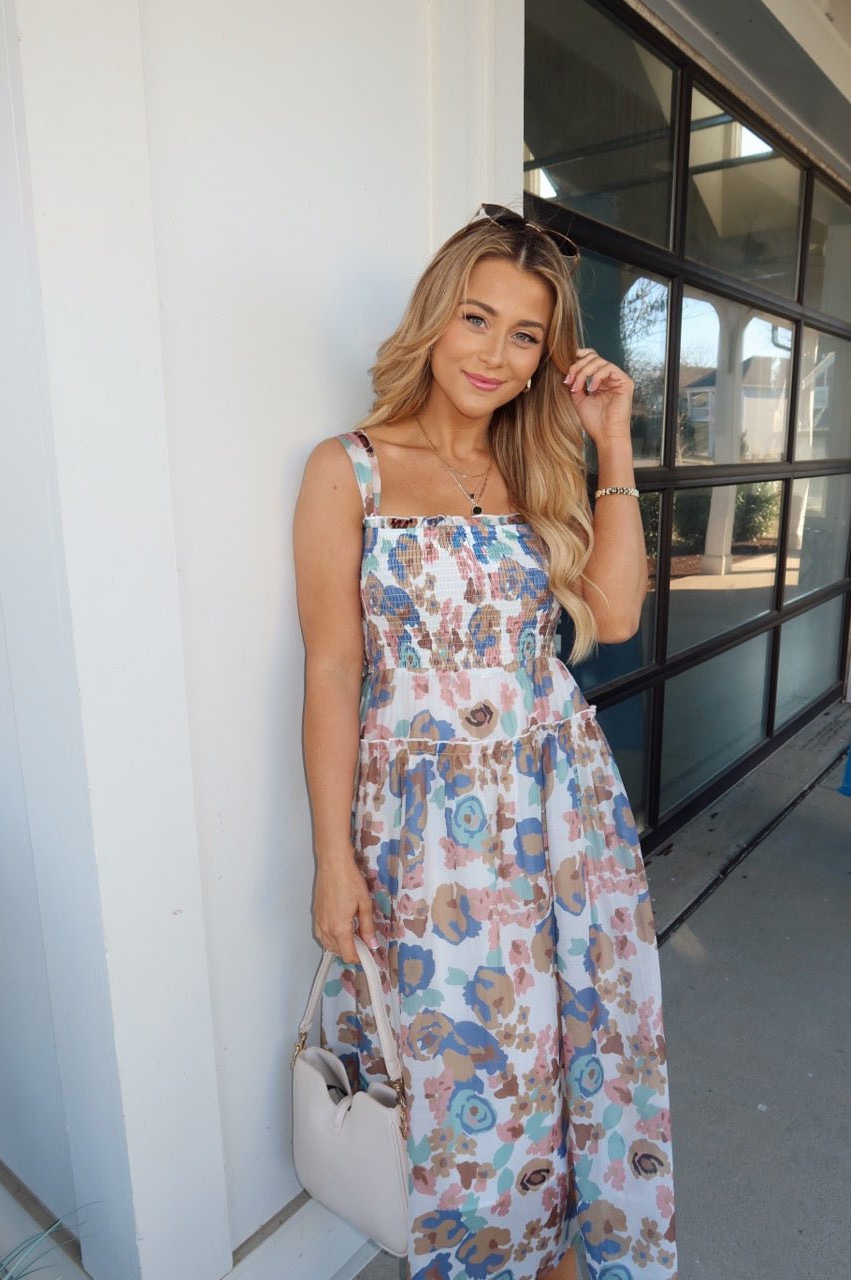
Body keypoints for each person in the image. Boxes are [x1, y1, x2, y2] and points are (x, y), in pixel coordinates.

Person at [293, 205, 678, 1280]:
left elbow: (613, 613)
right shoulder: (351, 469)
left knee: (578, 1046)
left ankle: (563, 1253)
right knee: (470, 1073)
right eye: (477, 318)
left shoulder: (536, 463)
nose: (496, 353)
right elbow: (332, 670)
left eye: (524, 335)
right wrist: (332, 857)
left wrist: (608, 440)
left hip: (561, 813)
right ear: (435, 317)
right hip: (431, 836)